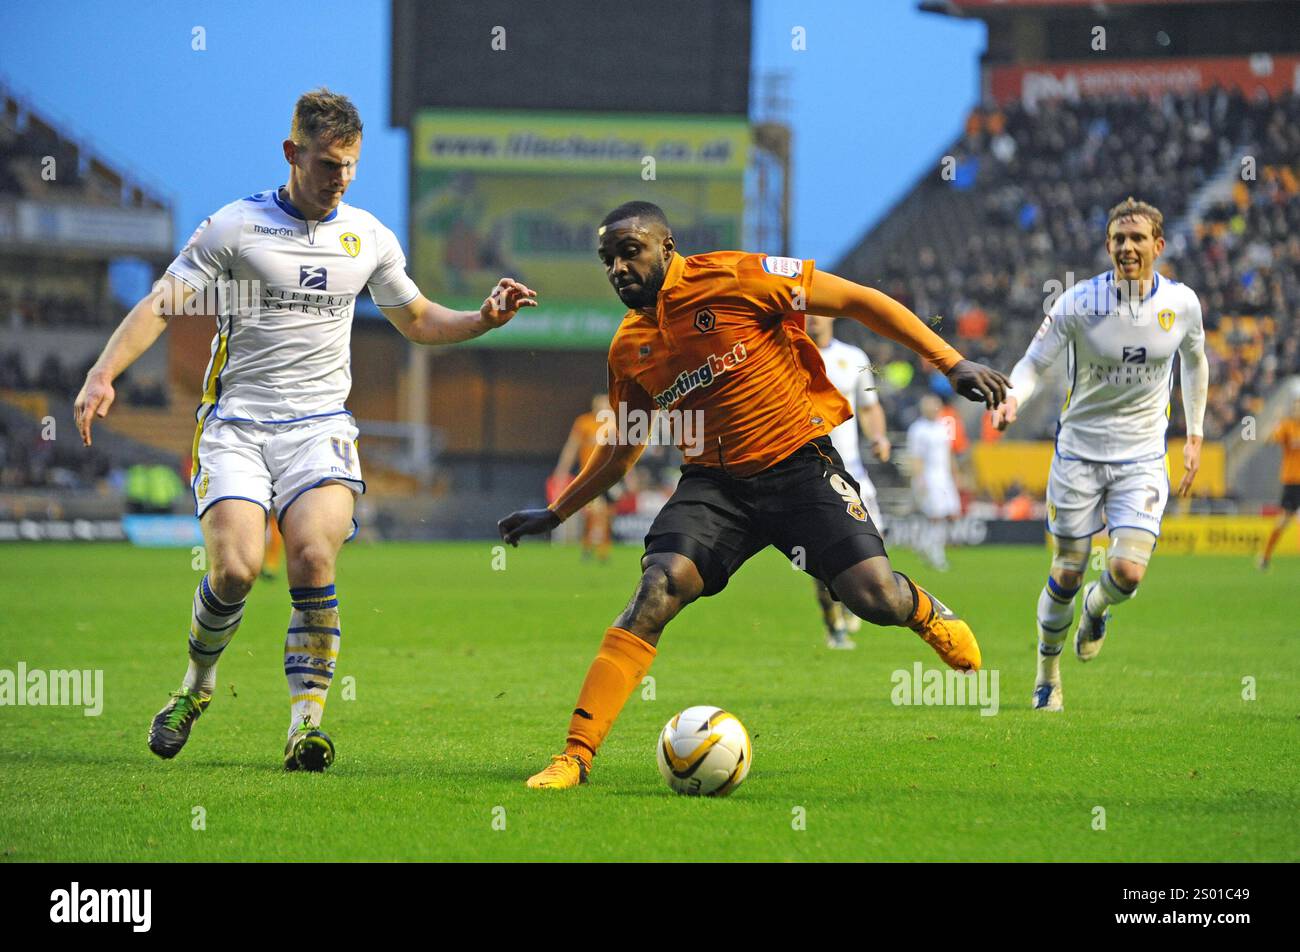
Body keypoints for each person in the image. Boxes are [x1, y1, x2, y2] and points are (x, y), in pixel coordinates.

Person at [73, 88, 536, 770]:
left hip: (319, 428)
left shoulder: (368, 237)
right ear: (293, 153)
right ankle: (197, 686)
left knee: (313, 558)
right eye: (325, 163)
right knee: (233, 570)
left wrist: (482, 319)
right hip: (235, 426)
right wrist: (103, 372)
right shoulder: (234, 227)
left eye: (349, 164)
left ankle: (304, 728)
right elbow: (161, 303)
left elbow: (416, 320)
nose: (339, 177)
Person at [498, 200, 1008, 789]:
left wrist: (951, 361)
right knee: (658, 589)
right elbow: (625, 447)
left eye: (629, 251)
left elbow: (860, 301)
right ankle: (575, 756)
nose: (617, 267)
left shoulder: (739, 276)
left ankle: (923, 611)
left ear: (668, 247)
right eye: (606, 259)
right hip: (715, 487)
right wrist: (558, 509)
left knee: (873, 598)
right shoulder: (629, 348)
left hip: (799, 464)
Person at [992, 197, 1208, 712]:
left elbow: (1196, 361)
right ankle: (1047, 673)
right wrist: (1013, 400)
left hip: (1142, 456)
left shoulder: (1181, 304)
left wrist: (1195, 432)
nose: (1127, 247)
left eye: (1137, 239)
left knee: (1128, 573)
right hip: (1079, 455)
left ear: (1158, 245)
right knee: (1066, 570)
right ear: (1108, 246)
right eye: (1118, 239)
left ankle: (1099, 605)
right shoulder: (1076, 303)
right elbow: (1033, 362)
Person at [805, 314, 890, 647]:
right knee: (820, 555)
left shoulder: (855, 358)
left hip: (852, 468)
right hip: (811, 471)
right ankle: (834, 625)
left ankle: (857, 596)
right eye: (806, 311)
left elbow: (870, 407)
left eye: (819, 310)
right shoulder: (785, 353)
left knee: (874, 540)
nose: (813, 318)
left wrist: (879, 437)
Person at [552, 394, 617, 562]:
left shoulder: (615, 425)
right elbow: (572, 448)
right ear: (594, 405)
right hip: (590, 476)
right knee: (595, 513)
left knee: (608, 515)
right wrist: (562, 470)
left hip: (611, 475)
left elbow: (623, 452)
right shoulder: (584, 422)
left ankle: (602, 551)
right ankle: (588, 547)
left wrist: (630, 475)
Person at [907, 394, 961, 571]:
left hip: (945, 476)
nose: (932, 408)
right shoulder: (917, 429)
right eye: (929, 405)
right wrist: (919, 479)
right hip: (929, 476)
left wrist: (955, 474)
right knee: (936, 516)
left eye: (935, 405)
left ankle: (925, 544)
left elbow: (949, 452)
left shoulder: (943, 426)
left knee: (951, 514)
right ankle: (937, 555)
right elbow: (915, 457)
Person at [1257, 396, 1300, 570]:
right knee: (1282, 521)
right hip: (1291, 482)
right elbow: (1267, 440)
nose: (1298, 411)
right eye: (1296, 408)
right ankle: (1265, 556)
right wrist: (1275, 421)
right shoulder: (1287, 426)